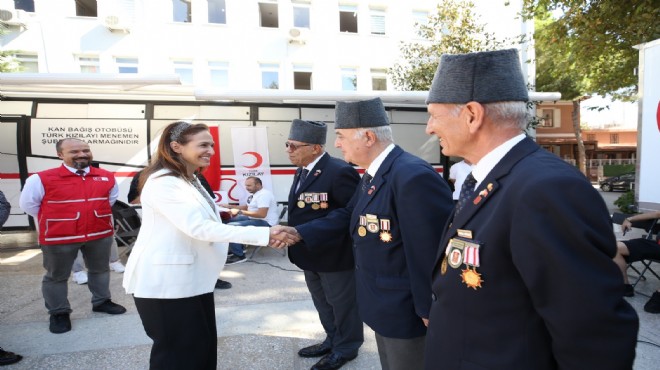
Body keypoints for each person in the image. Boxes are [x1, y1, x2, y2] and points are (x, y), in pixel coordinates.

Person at [423, 49, 638, 369]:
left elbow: (593, 336)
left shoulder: (545, 189)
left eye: (434, 115)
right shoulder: (494, 179)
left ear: (471, 114)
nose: (429, 127)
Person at [274, 98, 454, 370]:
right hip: (384, 304)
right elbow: (352, 215)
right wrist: (299, 231)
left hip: (406, 311)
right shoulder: (375, 174)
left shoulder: (411, 175)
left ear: (368, 137)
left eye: (341, 136)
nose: (337, 144)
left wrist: (429, 310)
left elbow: (429, 251)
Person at [122, 121, 294, 370]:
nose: (211, 151)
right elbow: (197, 227)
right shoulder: (164, 182)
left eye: (211, 145)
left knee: (199, 349)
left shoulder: (189, 179)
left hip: (191, 281)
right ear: (176, 147)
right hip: (167, 286)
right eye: (203, 145)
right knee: (176, 356)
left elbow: (205, 216)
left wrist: (224, 213)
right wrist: (266, 235)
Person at [19, 138, 127, 334]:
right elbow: (29, 206)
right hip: (59, 237)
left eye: (86, 150)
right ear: (60, 155)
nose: (82, 154)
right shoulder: (41, 178)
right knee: (56, 276)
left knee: (100, 270)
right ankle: (59, 313)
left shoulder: (105, 176)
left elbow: (109, 201)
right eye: (74, 151)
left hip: (98, 233)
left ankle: (102, 301)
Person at [285, 119, 364, 370]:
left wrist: (302, 232)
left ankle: (347, 348)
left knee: (343, 305)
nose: (288, 150)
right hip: (309, 254)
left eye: (294, 146)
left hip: (334, 256)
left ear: (315, 148)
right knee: (323, 303)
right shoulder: (303, 169)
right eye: (287, 144)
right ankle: (332, 339)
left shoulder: (339, 171)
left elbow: (348, 214)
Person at [127, 169, 232, 290]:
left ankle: (211, 279)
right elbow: (133, 199)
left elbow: (210, 201)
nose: (209, 152)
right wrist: (167, 202)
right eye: (202, 148)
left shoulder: (195, 175)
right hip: (169, 229)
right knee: (177, 260)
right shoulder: (147, 176)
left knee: (203, 253)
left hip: (197, 224)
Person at [220, 176, 279, 265]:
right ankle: (239, 248)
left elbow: (262, 214)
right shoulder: (255, 194)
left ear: (258, 185)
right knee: (228, 222)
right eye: (246, 186)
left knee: (231, 227)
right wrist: (230, 206)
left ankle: (239, 256)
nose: (247, 188)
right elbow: (248, 207)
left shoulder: (264, 195)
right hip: (256, 218)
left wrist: (239, 211)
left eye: (249, 186)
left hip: (266, 223)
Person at [613, 210, 660, 312]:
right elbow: (656, 214)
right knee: (614, 248)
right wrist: (629, 219)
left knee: (651, 308)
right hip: (656, 246)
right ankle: (625, 287)